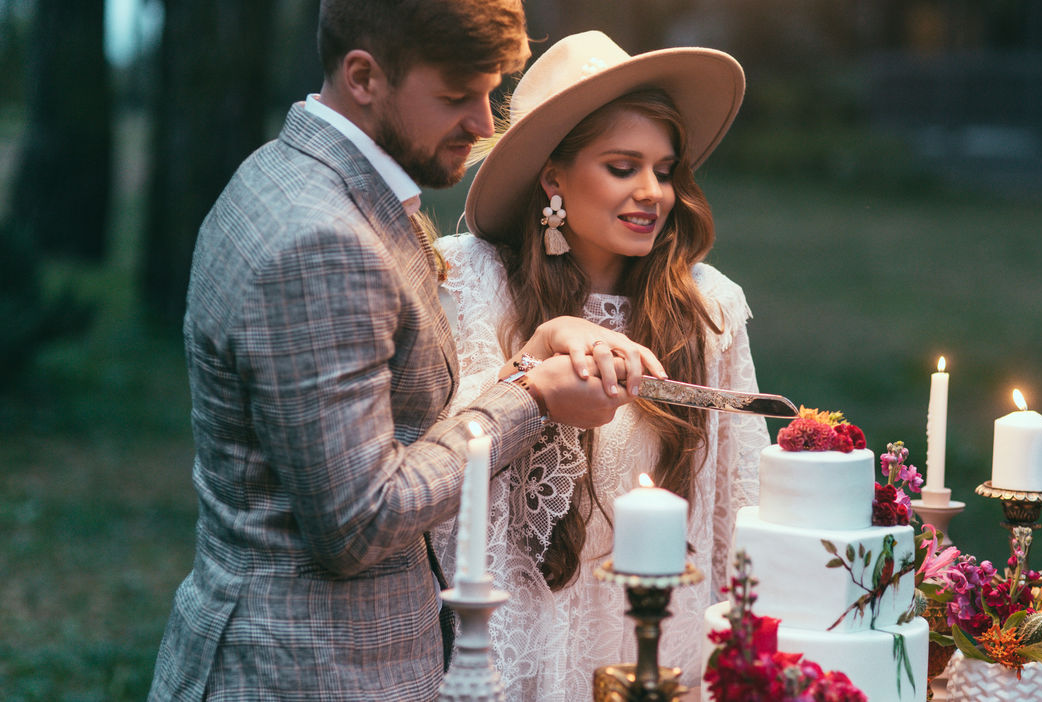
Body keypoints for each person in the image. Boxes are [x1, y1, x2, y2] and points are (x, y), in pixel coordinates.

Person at [147, 5, 666, 700]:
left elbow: (392, 427)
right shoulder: (321, 239)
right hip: (304, 670)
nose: (484, 124)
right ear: (364, 76)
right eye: (456, 95)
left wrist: (529, 358)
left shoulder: (294, 172)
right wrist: (534, 398)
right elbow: (358, 524)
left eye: (489, 92)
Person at [434, 30, 771, 700]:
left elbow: (740, 503)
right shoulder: (468, 284)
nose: (653, 192)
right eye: (623, 167)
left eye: (666, 170)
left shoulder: (707, 306)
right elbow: (436, 458)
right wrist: (531, 363)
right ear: (553, 178)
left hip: (655, 641)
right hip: (508, 637)